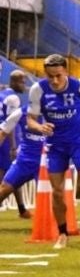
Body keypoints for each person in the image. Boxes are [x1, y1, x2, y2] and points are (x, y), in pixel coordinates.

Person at [27, 54, 80, 249]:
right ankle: (62, 234)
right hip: (55, 146)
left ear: (66, 72)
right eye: (50, 75)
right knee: (58, 192)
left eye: (58, 76)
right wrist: (39, 127)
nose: (54, 80)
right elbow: (30, 119)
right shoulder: (38, 90)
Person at [0, 71, 45, 214]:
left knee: (50, 196)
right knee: (4, 188)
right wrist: (14, 146)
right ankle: (22, 209)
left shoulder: (56, 115)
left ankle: (58, 226)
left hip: (45, 163)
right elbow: (3, 131)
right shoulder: (20, 112)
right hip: (24, 160)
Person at [0, 70, 32, 219]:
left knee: (12, 174)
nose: (24, 85)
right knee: (7, 175)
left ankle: (22, 209)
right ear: (14, 82)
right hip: (5, 138)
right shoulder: (13, 98)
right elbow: (10, 123)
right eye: (22, 82)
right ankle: (22, 209)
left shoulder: (2, 94)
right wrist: (13, 146)